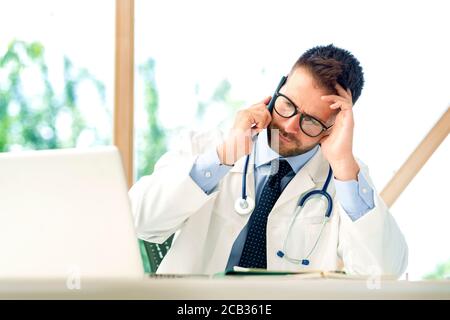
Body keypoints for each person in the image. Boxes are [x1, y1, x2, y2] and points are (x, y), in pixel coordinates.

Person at [129, 44, 408, 276]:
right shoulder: (207, 147)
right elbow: (138, 220)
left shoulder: (344, 178)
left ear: (335, 127)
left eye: (311, 121)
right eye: (287, 104)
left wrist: (344, 165)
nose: (289, 126)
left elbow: (384, 274)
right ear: (278, 88)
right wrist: (223, 157)